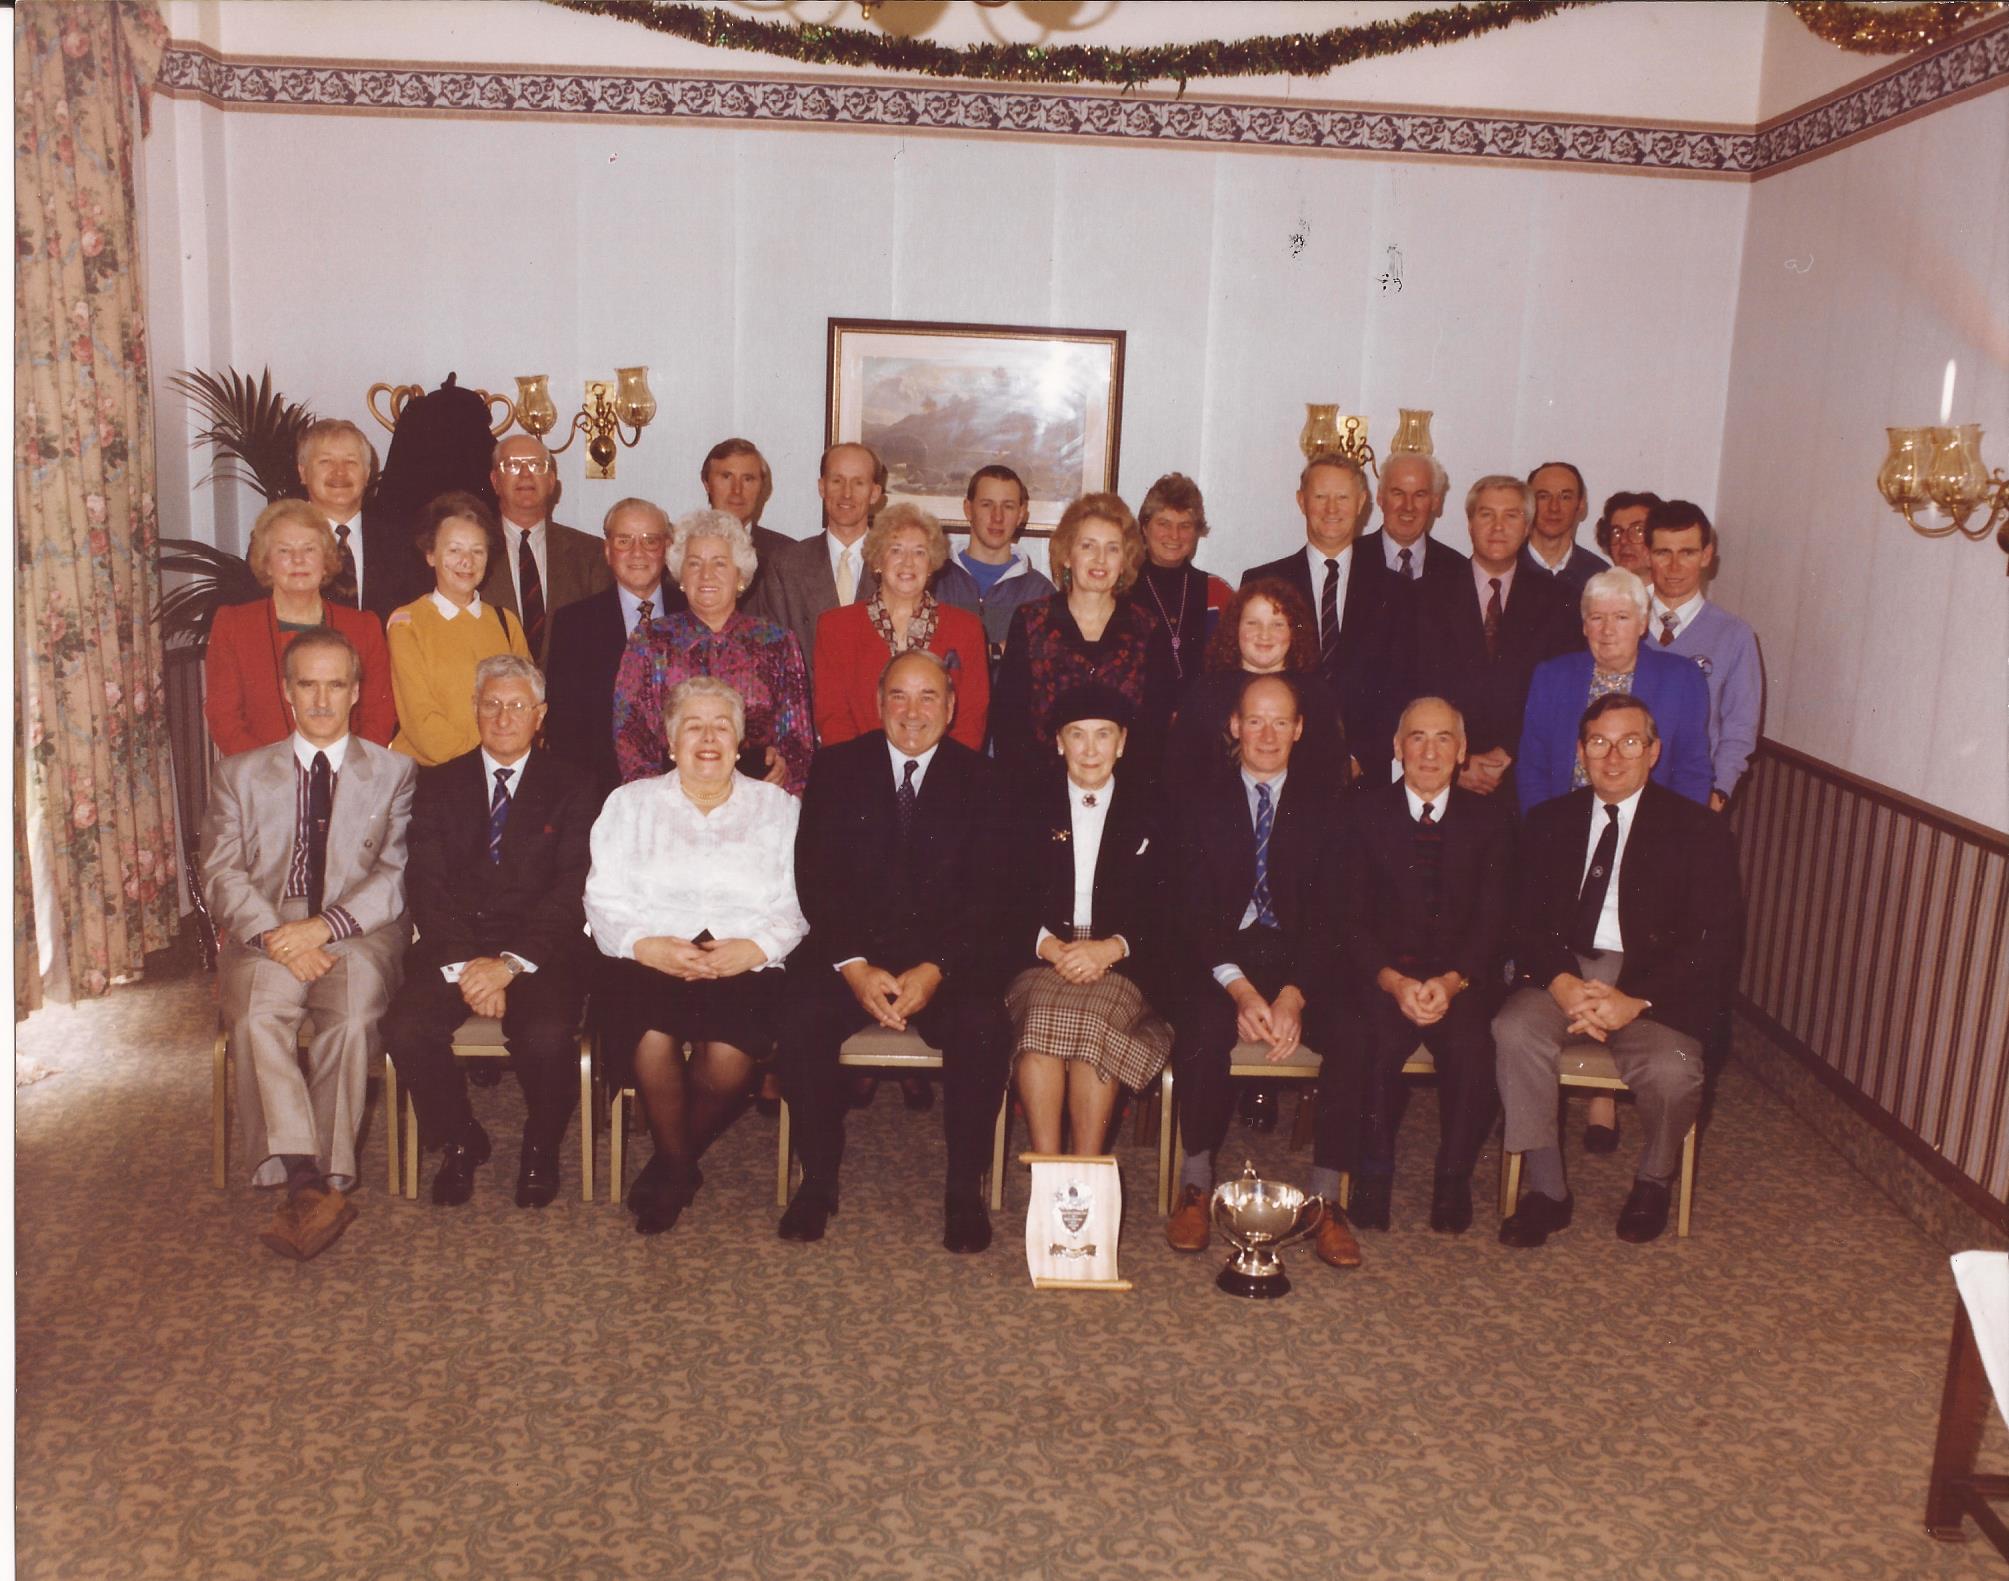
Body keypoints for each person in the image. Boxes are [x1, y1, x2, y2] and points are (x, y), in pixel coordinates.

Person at [777, 650, 1011, 1254]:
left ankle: (963, 1190)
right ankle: (817, 1181)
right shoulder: (836, 768)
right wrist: (854, 967)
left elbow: (991, 895)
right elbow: (814, 878)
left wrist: (935, 969)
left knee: (983, 1026)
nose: (913, 712)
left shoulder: (984, 780)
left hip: (944, 962)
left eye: (929, 697)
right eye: (899, 697)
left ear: (952, 707)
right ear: (879, 704)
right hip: (852, 956)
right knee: (799, 1016)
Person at [1492, 694, 1742, 1246]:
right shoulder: (1549, 821)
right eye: (1599, 743)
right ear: (1581, 751)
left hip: (1653, 985)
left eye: (1630, 742)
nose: (1613, 757)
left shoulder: (1697, 831)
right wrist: (1559, 980)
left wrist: (1635, 998)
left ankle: (1653, 1180)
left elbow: (1714, 943)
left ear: (1653, 752)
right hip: (1564, 969)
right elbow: (1521, 918)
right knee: (1513, 1031)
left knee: (1675, 1070)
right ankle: (1548, 1189)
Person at [200, 629, 416, 1260]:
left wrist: (323, 929)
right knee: (260, 1013)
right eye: (307, 684)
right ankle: (308, 1177)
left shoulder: (394, 772)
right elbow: (219, 871)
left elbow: (396, 873)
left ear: (356, 691)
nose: (322, 699)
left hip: (357, 930)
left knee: (351, 1017)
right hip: (264, 926)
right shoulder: (238, 774)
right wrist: (276, 934)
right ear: (286, 692)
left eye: (336, 684)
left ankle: (319, 1176)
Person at [586, 677, 808, 1236]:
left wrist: (757, 947)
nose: (707, 738)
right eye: (693, 726)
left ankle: (670, 1163)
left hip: (742, 957)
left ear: (740, 742)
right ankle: (680, 1168)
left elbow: (799, 901)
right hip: (650, 956)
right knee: (648, 1034)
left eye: (721, 726)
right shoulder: (629, 804)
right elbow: (602, 896)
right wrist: (645, 945)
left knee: (732, 1056)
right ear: (669, 740)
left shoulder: (779, 809)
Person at [381, 655, 597, 1208]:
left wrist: (511, 963)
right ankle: (458, 1139)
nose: (504, 717)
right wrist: (466, 966)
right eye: (492, 704)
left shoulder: (574, 786)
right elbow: (426, 884)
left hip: (539, 950)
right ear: (474, 709)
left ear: (540, 715)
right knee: (405, 1028)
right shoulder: (436, 784)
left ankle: (540, 1146)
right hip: (456, 945)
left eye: (518, 705)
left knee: (548, 1036)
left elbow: (573, 887)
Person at [1162, 674, 1360, 1272]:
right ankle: (1195, 1186)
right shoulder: (1199, 800)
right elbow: (1191, 911)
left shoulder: (1331, 805)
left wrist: (1295, 995)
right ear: (1234, 726)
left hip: (1303, 959)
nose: (1267, 734)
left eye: (1281, 722)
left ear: (1299, 730)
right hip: (1224, 957)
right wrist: (1241, 989)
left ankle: (1326, 1199)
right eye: (1255, 720)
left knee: (1354, 1032)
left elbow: (1335, 914)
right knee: (1199, 1027)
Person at [1336, 697, 1512, 1234]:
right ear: (1397, 747)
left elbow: (1494, 921)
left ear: (1462, 752)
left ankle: (1453, 1177)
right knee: (1370, 1042)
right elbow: (1348, 918)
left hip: (1458, 978)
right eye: (1417, 737)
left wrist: (1451, 982)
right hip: (1384, 976)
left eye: (1443, 740)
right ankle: (1373, 1172)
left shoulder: (1492, 821)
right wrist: (1393, 982)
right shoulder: (1362, 814)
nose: (1429, 751)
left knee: (1474, 1049)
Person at [1002, 686, 1172, 1155]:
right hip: (1040, 956)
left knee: (1095, 1022)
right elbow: (999, 896)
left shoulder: (1156, 807)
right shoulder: (1023, 802)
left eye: (1104, 736)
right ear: (1060, 743)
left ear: (1122, 743)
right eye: (1078, 735)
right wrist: (1050, 947)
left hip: (1122, 959)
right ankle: (1048, 1170)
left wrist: (1111, 947)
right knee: (1040, 1024)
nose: (1091, 749)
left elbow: (1171, 903)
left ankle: (1085, 1173)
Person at [610, 508, 814, 792]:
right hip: (670, 795)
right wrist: (655, 798)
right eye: (694, 564)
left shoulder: (777, 642)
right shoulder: (650, 641)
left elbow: (798, 738)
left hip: (757, 794)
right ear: (681, 575)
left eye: (719, 563)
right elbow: (631, 734)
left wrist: (784, 768)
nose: (706, 575)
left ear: (740, 574)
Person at [1413, 474, 1579, 806]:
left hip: (1523, 780)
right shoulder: (1424, 596)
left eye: (1511, 515)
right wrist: (1458, 760)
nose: (1498, 526)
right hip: (1443, 776)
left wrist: (1509, 752)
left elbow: (1563, 694)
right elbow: (1410, 686)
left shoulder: (1560, 601)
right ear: (1470, 523)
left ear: (1528, 525)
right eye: (1487, 514)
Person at [992, 492, 1177, 786]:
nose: (1100, 559)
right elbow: (1009, 724)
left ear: (1125, 560)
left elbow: (1153, 733)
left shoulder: (1148, 628)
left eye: (1112, 548)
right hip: (1039, 791)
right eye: (1088, 546)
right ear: (1067, 555)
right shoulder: (1030, 620)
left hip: (1124, 794)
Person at [204, 498, 396, 756]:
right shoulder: (233, 625)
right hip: (262, 781)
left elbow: (379, 714)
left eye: (309, 549)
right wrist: (273, 775)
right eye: (284, 551)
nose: (298, 560)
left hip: (348, 779)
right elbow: (224, 718)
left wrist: (346, 771)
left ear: (326, 560)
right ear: (266, 562)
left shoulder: (363, 627)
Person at [1517, 567, 1711, 817]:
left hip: (1651, 827)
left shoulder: (1680, 678)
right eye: (1597, 618)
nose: (1607, 630)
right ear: (1585, 626)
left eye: (1621, 617)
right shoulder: (1552, 676)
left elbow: (1692, 771)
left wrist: (1674, 839)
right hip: (1564, 823)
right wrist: (1543, 828)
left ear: (1642, 624)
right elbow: (1533, 767)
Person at [1241, 453, 1396, 760]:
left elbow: (1401, 686)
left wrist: (1361, 758)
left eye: (1342, 497)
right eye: (1320, 496)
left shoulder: (1397, 591)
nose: (1331, 509)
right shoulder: (1262, 582)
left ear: (1362, 502)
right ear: (1301, 501)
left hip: (1365, 769)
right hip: (1280, 760)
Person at [813, 502, 990, 753]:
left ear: (931, 565)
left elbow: (971, 720)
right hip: (859, 775)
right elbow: (833, 718)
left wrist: (940, 776)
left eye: (919, 552)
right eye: (896, 550)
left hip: (943, 779)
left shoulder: (966, 629)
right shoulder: (836, 627)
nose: (908, 563)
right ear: (878, 561)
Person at [543, 497, 687, 794]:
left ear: (668, 548)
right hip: (604, 792)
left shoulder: (693, 615)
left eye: (650, 540)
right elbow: (565, 730)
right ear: (608, 551)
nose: (637, 552)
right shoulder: (573, 623)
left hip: (686, 788)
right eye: (624, 540)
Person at [1167, 580, 1351, 802]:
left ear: (1294, 631)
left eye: (1278, 624)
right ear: (1235, 628)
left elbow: (1334, 779)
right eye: (1253, 623)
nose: (1265, 635)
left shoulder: (1318, 696)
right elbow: (1179, 777)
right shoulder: (1204, 692)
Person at [386, 492, 533, 767]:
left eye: (477, 551)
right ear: (430, 554)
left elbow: (525, 704)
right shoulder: (407, 621)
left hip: (497, 773)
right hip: (433, 774)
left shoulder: (506, 622)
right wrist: (481, 766)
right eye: (454, 550)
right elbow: (420, 718)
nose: (467, 561)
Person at [1644, 500, 1762, 812]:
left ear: (1706, 556)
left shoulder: (1734, 635)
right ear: (1647, 555)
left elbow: (1739, 727)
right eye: (1663, 552)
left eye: (1687, 552)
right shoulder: (1620, 623)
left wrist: (1718, 794)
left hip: (1692, 796)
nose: (1674, 566)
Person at [749, 441, 883, 679]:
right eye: (836, 481)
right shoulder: (786, 566)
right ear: (822, 487)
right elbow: (770, 654)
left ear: (875, 493)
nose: (847, 493)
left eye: (858, 483)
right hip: (807, 710)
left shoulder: (896, 564)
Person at [479, 435, 612, 664]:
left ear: (551, 481)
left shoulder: (591, 553)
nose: (525, 473)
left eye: (536, 465)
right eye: (511, 465)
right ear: (494, 481)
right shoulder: (473, 550)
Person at [295, 417, 423, 621]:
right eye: (326, 461)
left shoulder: (400, 544)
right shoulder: (278, 540)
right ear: (303, 472)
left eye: (351, 462)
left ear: (367, 473)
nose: (339, 472)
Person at [931, 464, 1054, 669]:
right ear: (968, 509)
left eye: (1008, 506)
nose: (997, 517)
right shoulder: (934, 581)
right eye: (987, 504)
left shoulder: (1041, 593)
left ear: (1021, 514)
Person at [1122, 472, 1235, 689]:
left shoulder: (1217, 591)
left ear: (1196, 532)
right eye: (1163, 523)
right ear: (1144, 528)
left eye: (1185, 525)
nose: (1174, 535)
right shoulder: (1121, 588)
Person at [700, 436, 797, 602]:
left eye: (748, 479)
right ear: (707, 484)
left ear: (762, 487)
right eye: (726, 477)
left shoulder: (788, 555)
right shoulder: (680, 549)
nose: (737, 490)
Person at [1524, 460, 1610, 595]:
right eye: (1543, 497)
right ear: (1528, 503)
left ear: (1581, 505)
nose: (1554, 507)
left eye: (1565, 497)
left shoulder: (1600, 576)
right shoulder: (1506, 568)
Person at [1593, 490, 1661, 578]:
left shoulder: (1679, 590)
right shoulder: (1595, 590)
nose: (1623, 540)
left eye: (1638, 530)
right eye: (1617, 532)